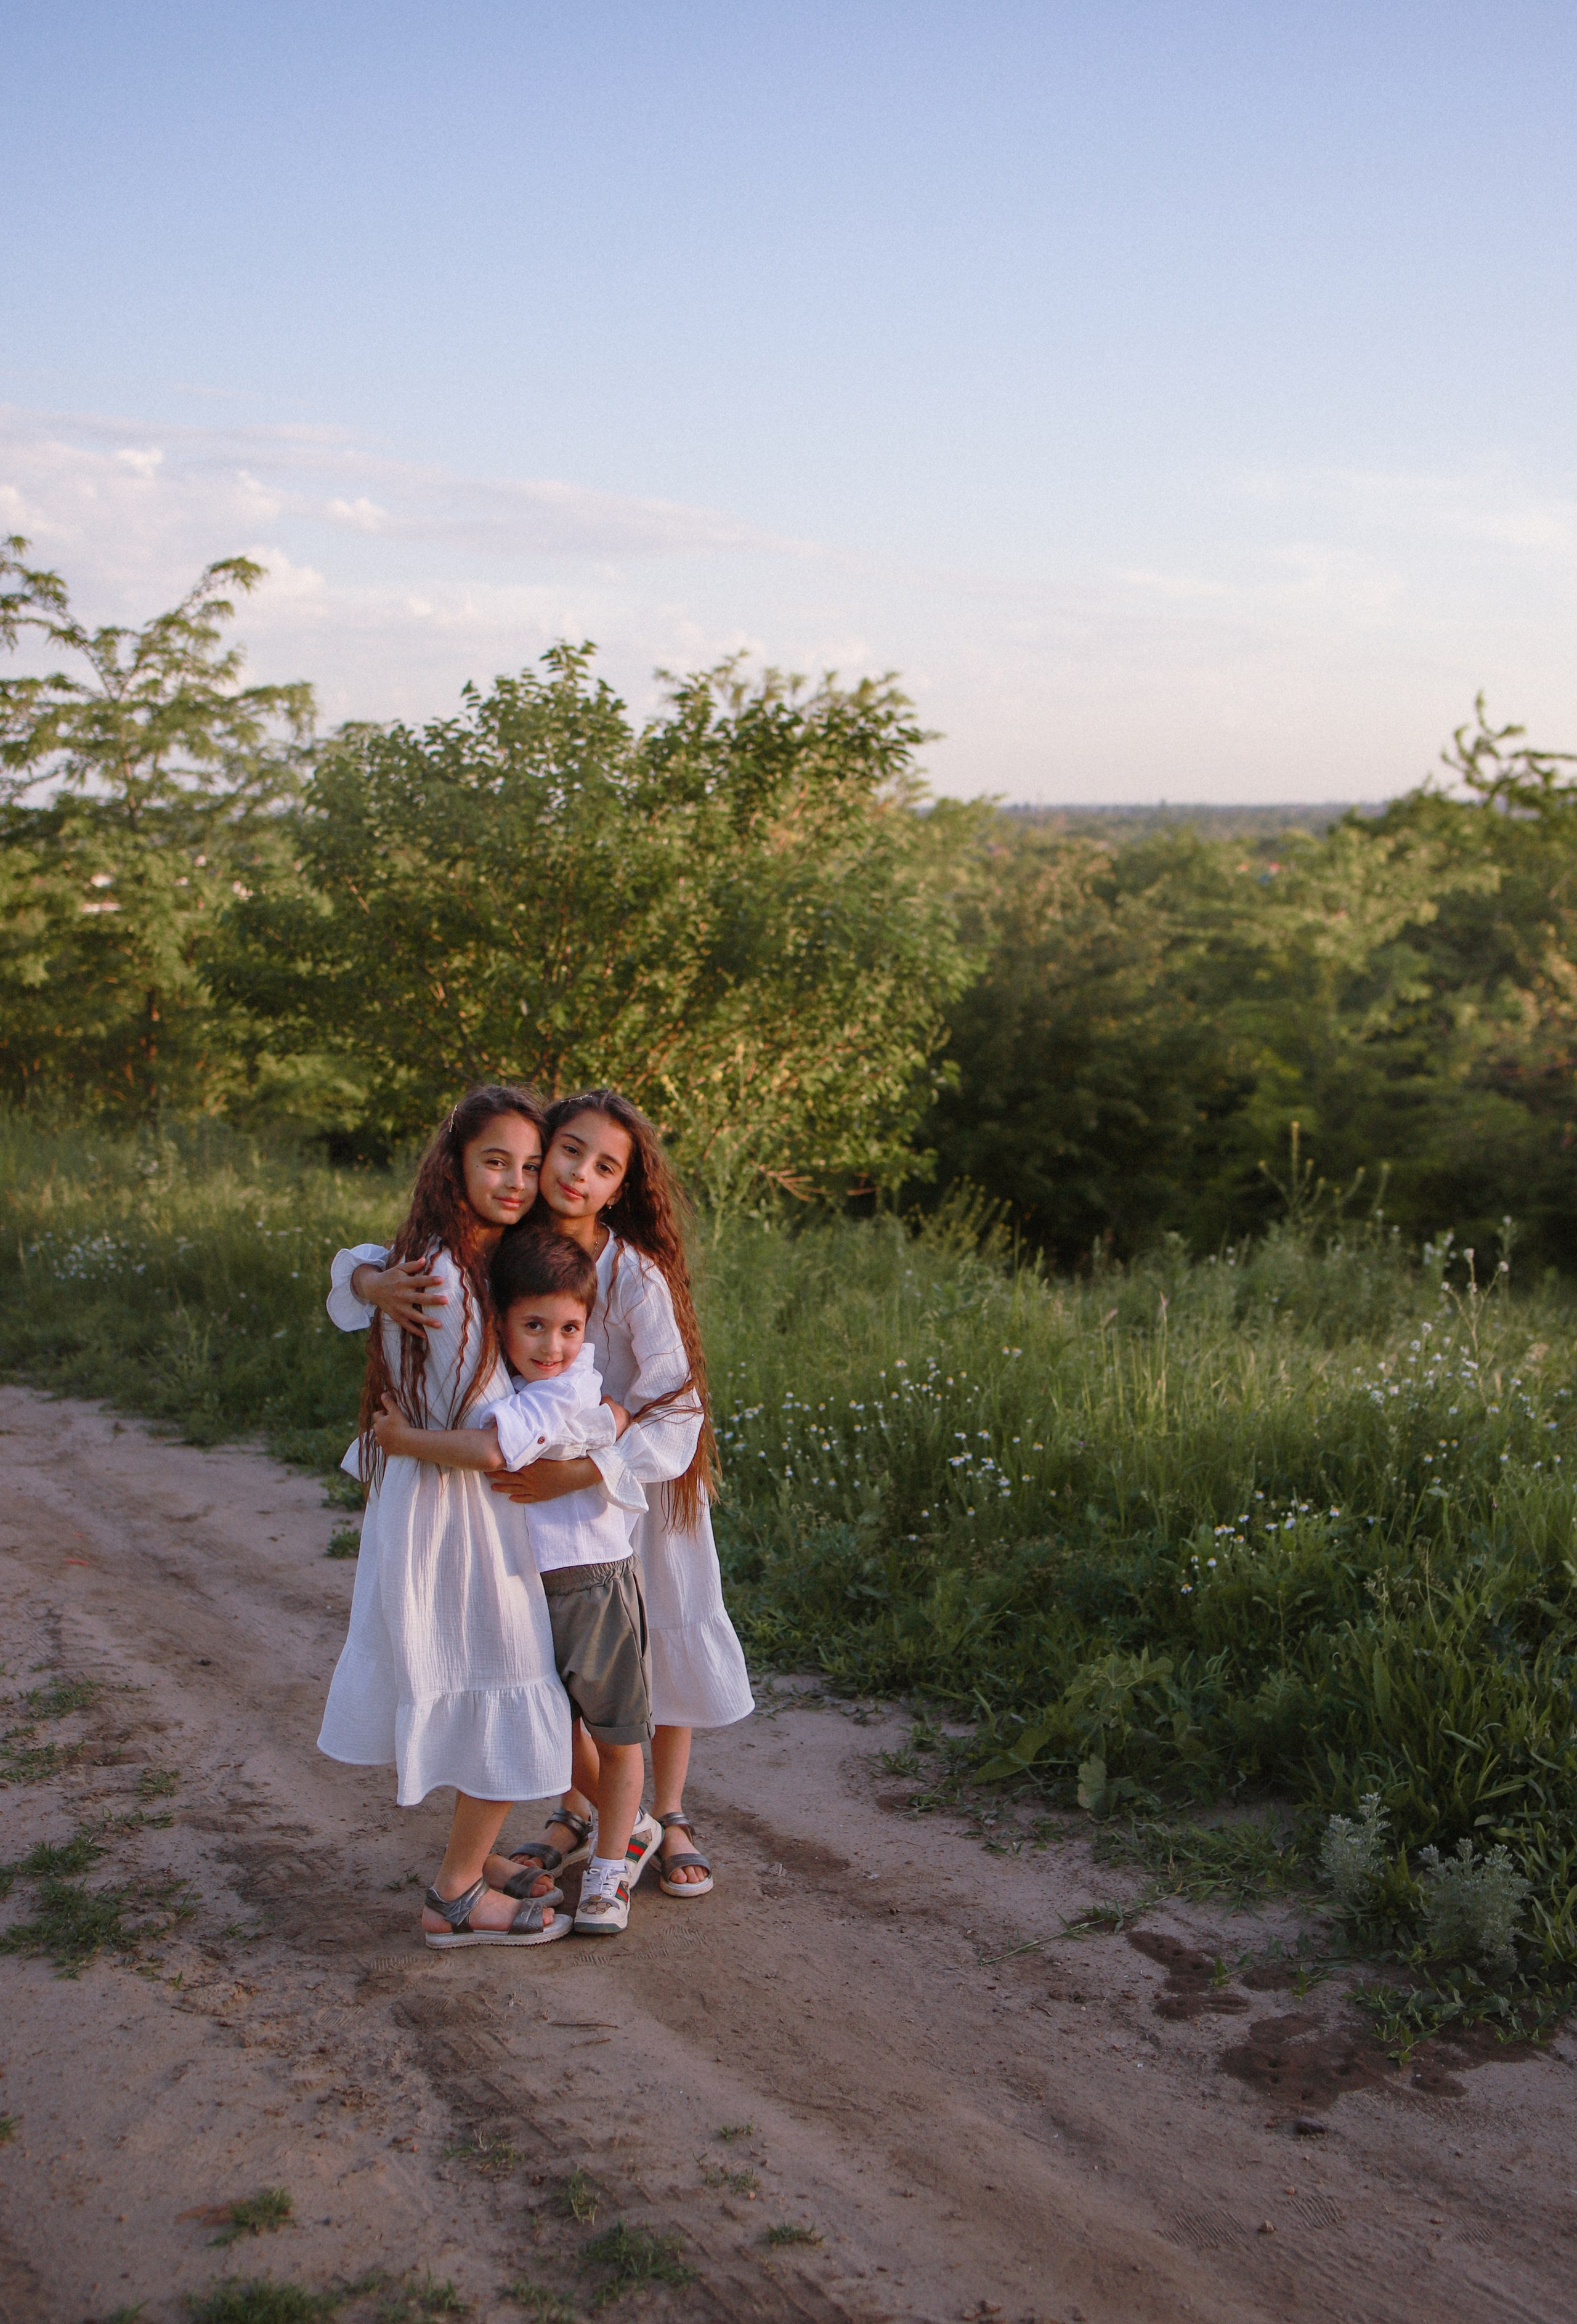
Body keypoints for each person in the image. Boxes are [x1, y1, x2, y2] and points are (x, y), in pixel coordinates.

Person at [329, 1087, 752, 1899]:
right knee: (560, 1659)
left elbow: (675, 1401)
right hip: (536, 1489)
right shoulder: (507, 1239)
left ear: (621, 1185)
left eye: (604, 1166)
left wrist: (596, 1462)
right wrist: (372, 1284)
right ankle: (582, 1810)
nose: (575, 1174)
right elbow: (363, 1260)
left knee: (650, 1649)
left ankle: (666, 1812)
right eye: (567, 1152)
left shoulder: (632, 1271)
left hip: (628, 1479)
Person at [317, 1084, 573, 1950]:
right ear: (456, 1163)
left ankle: (478, 1855)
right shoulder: (444, 1283)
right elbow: (490, 1435)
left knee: (478, 1676)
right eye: (496, 1161)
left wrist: (360, 1276)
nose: (516, 1180)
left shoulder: (436, 1254)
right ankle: (456, 1897)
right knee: (508, 1674)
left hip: (431, 1503)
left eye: (531, 1166)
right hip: (456, 1509)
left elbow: (352, 1264)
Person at [370, 1229, 662, 1936]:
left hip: (591, 1582)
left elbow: (493, 1447)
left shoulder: (558, 1389)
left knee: (616, 1734)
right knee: (551, 1730)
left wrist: (405, 1441)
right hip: (529, 1588)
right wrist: (367, 1284)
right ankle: (629, 1828)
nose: (554, 1344)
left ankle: (606, 1871)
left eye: (568, 1327)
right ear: (502, 1321)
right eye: (535, 1325)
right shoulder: (508, 1377)